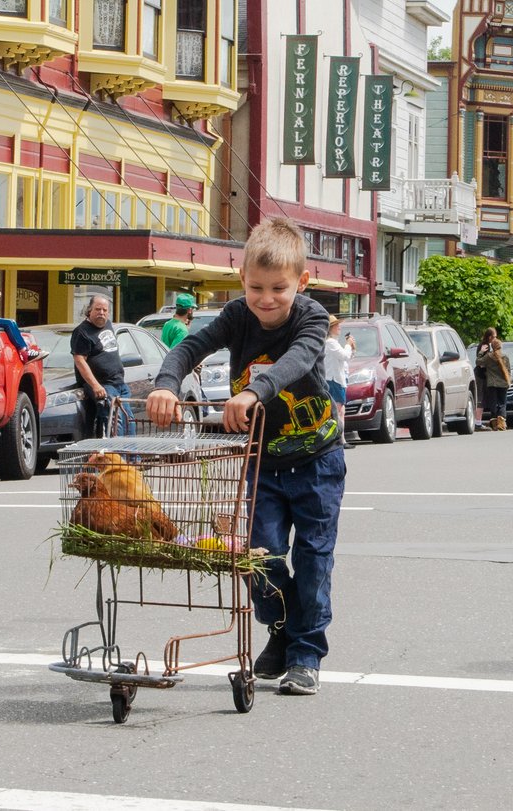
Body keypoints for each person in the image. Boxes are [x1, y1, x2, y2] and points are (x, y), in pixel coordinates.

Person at [146, 217, 344, 696]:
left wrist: (255, 390)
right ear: (242, 280)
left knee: (313, 559)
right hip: (262, 463)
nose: (267, 299)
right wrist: (166, 385)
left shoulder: (311, 318)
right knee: (262, 560)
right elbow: (190, 348)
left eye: (279, 288)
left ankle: (305, 654)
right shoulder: (237, 316)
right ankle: (279, 630)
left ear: (301, 282)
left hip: (318, 460)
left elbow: (297, 360)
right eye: (256, 287)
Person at [72, 294, 134, 438]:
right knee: (115, 422)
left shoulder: (108, 324)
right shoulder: (82, 332)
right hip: (103, 385)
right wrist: (95, 386)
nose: (101, 313)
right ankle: (118, 458)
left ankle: (131, 458)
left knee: (129, 421)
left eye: (105, 310)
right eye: (98, 309)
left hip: (119, 383)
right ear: (89, 311)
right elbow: (80, 360)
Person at [324, 315, 356, 449]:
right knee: (337, 410)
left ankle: (341, 439)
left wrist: (352, 347)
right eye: (336, 325)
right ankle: (337, 439)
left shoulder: (334, 343)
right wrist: (348, 345)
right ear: (330, 328)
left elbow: (346, 358)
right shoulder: (330, 343)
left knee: (341, 411)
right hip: (334, 380)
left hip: (339, 379)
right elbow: (344, 355)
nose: (339, 327)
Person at [476, 326, 511, 431]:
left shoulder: (489, 357)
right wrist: (509, 381)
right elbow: (508, 370)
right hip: (503, 384)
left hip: (492, 384)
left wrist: (481, 352)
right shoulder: (505, 357)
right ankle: (502, 421)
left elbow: (478, 362)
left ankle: (495, 423)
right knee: (502, 403)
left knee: (493, 404)